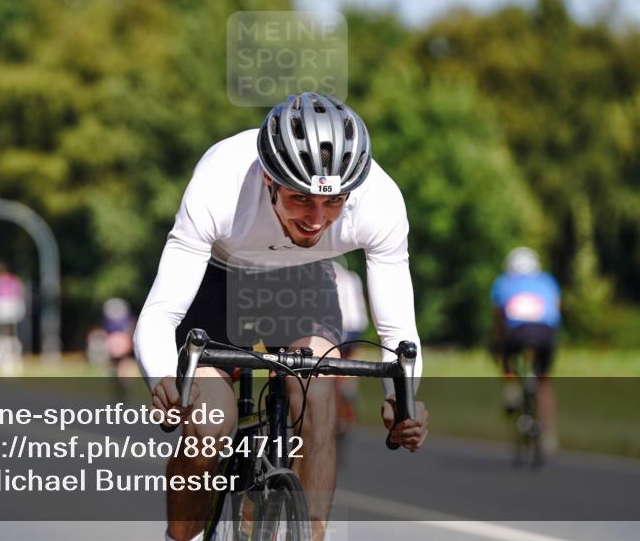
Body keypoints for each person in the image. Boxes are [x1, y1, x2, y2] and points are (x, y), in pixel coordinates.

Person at [134, 93, 428, 541]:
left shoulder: (380, 201)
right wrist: (163, 381)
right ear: (269, 180)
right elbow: (160, 312)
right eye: (299, 199)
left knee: (319, 393)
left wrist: (402, 400)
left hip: (304, 282)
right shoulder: (221, 182)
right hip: (220, 278)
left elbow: (397, 332)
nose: (316, 219)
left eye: (334, 204)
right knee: (210, 422)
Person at [491, 246, 561, 454]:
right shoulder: (548, 281)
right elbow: (555, 312)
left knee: (504, 352)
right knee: (544, 381)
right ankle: (548, 433)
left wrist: (496, 343)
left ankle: (511, 384)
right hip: (545, 333)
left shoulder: (503, 282)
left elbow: (498, 320)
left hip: (517, 333)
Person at [333, 260, 369, 435]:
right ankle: (349, 389)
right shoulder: (353, 278)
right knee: (348, 368)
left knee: (330, 372)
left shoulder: (327, 276)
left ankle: (338, 407)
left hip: (338, 329)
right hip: (355, 329)